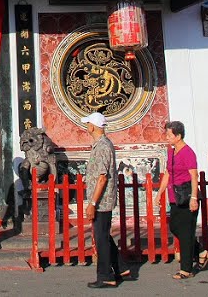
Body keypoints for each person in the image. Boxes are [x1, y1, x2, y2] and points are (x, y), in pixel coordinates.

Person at [154, 120, 208, 280]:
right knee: (175, 227)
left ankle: (186, 269)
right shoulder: (171, 152)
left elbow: (194, 176)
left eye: (169, 134)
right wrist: (160, 192)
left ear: (178, 135)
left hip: (187, 196)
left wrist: (194, 198)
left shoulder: (188, 153)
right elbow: (167, 173)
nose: (167, 137)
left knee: (187, 231)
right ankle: (201, 252)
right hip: (175, 197)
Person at [82, 112, 131, 289]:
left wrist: (93, 203)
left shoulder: (102, 146)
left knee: (101, 238)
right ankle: (121, 267)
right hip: (103, 199)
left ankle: (106, 275)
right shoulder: (101, 144)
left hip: (101, 201)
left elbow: (102, 177)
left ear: (93, 126)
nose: (86, 126)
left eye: (88, 123)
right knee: (104, 235)